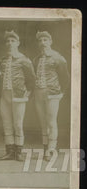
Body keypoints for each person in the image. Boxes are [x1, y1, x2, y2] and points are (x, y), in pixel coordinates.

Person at [0, 31, 36, 161]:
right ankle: (9, 151)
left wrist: (27, 93)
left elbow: (31, 79)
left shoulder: (24, 60)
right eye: (8, 41)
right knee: (7, 123)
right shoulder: (1, 61)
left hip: (18, 96)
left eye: (13, 41)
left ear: (18, 43)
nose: (10, 43)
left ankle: (18, 152)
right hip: (4, 96)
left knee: (18, 124)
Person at [33, 31, 70, 161]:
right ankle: (45, 149)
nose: (43, 43)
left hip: (53, 94)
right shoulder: (36, 59)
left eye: (45, 40)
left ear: (50, 41)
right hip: (38, 93)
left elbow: (65, 78)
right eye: (40, 41)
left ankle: (51, 149)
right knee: (43, 122)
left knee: (51, 121)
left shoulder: (58, 57)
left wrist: (60, 93)